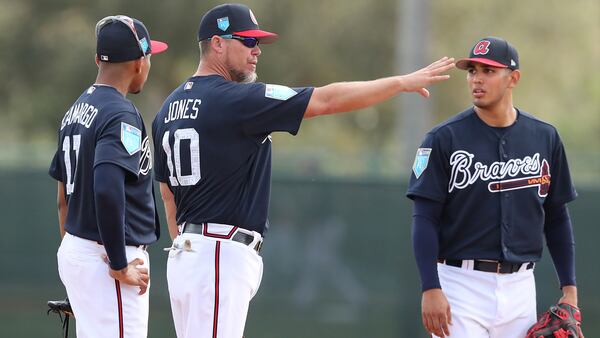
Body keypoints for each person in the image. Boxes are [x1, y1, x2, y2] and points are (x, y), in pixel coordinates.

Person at [153, 3, 454, 338]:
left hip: (189, 254)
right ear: (217, 43)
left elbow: (167, 194)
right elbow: (326, 101)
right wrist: (400, 82)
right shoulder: (236, 100)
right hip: (217, 255)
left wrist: (188, 245)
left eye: (259, 43)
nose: (256, 50)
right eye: (247, 41)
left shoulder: (168, 108)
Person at [406, 36, 579, 338]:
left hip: (521, 287)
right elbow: (424, 218)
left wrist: (569, 288)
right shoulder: (443, 139)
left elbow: (556, 217)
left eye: (488, 71)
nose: (477, 79)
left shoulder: (545, 138)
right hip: (459, 284)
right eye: (472, 71)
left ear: (513, 78)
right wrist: (430, 287)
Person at [48, 15, 167, 338]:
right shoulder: (120, 113)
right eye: (150, 56)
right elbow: (106, 189)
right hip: (109, 257)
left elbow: (63, 200)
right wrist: (117, 264)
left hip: (79, 247)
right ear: (140, 62)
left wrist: (76, 260)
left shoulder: (76, 110)